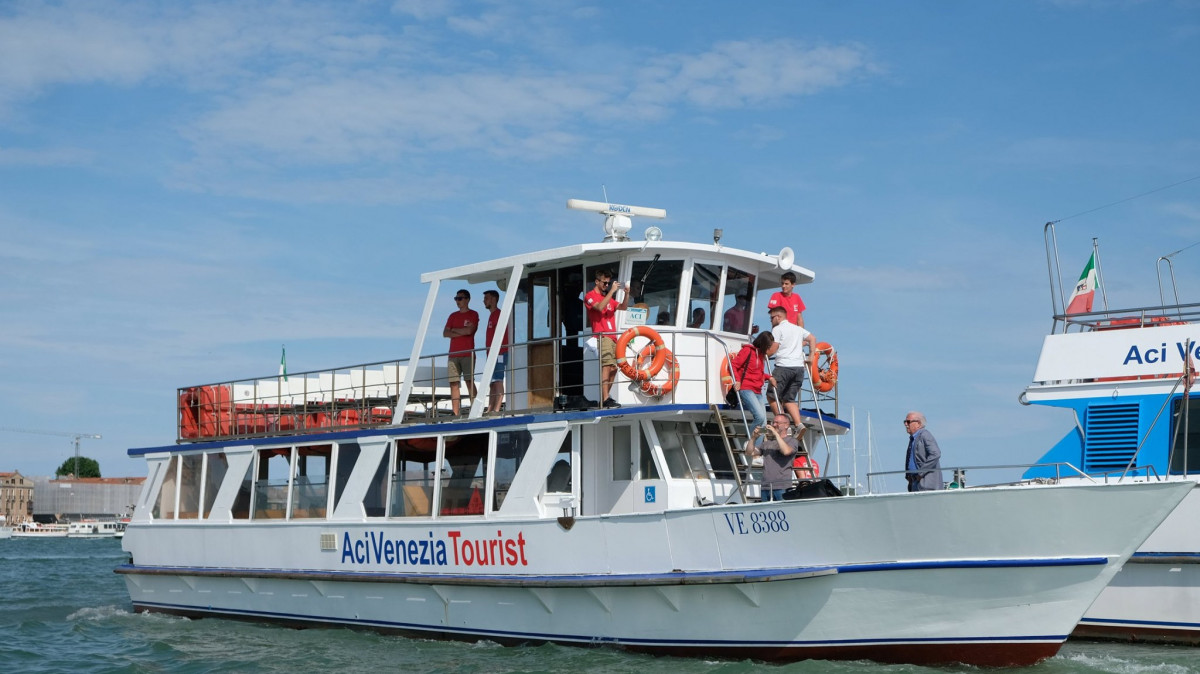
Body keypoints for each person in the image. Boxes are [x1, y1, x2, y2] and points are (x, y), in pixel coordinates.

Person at [766, 306, 817, 435]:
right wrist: (810, 357)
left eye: (772, 318)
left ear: (778, 317)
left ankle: (783, 424)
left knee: (772, 395)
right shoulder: (798, 329)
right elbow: (812, 338)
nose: (771, 321)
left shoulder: (777, 329)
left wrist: (762, 354)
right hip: (799, 368)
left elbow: (774, 348)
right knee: (789, 399)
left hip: (783, 367)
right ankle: (799, 425)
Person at [584, 268, 628, 408]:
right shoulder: (589, 296)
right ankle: (605, 397)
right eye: (604, 283)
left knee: (614, 368)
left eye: (608, 283)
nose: (607, 286)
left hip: (613, 337)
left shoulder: (607, 297)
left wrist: (626, 294)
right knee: (607, 365)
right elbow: (599, 307)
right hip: (602, 335)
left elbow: (623, 307)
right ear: (596, 282)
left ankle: (605, 399)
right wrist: (612, 291)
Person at [730, 332, 777, 432]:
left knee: (763, 423)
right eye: (768, 346)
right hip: (746, 389)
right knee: (759, 417)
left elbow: (758, 373)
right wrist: (737, 381)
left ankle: (756, 447)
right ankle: (750, 444)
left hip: (757, 391)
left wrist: (769, 377)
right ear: (763, 343)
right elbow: (734, 365)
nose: (769, 349)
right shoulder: (748, 351)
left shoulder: (761, 355)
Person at [442, 289, 479, 416]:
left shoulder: (473, 314)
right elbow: (445, 333)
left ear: (467, 299)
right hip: (453, 354)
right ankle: (455, 412)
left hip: (468, 353)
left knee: (469, 381)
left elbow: (470, 331)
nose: (457, 301)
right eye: (456, 298)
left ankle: (475, 409)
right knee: (454, 383)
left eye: (460, 298)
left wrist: (454, 331)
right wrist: (461, 331)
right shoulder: (453, 316)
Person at [746, 414, 798, 502]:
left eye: (777, 423)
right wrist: (753, 438)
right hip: (765, 487)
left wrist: (775, 433)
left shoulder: (792, 441)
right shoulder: (767, 443)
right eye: (774, 422)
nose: (774, 425)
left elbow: (786, 451)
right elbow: (749, 452)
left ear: (786, 425)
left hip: (782, 487)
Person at [482, 290, 510, 414]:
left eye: (486, 298)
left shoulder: (498, 314)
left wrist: (497, 351)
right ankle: (490, 408)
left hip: (499, 353)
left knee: (498, 380)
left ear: (493, 299)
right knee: (492, 382)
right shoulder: (492, 315)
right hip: (492, 354)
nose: (484, 301)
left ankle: (497, 408)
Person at [904, 411, 944, 492]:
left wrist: (921, 472)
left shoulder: (925, 435)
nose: (906, 424)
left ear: (918, 423)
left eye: (908, 422)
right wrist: (909, 477)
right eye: (905, 422)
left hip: (926, 485)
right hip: (915, 483)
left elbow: (935, 454)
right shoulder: (913, 438)